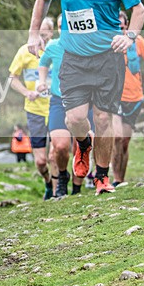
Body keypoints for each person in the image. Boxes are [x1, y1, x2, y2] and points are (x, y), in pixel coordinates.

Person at [28, 0, 144, 196]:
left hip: (107, 59)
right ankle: (83, 144)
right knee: (75, 120)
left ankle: (102, 177)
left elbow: (138, 10)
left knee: (103, 119)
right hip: (74, 58)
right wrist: (33, 32)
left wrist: (129, 36)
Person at [38, 18, 90, 196]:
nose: (64, 29)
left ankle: (76, 189)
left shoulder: (85, 44)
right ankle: (61, 177)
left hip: (82, 100)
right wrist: (42, 81)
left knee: (79, 145)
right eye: (61, 26)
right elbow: (43, 63)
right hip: (58, 101)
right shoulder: (53, 45)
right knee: (60, 146)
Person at [112, 10, 144, 185]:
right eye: (115, 23)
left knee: (124, 141)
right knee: (116, 137)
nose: (119, 26)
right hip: (113, 97)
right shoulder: (104, 41)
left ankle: (120, 179)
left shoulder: (137, 42)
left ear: (127, 24)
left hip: (134, 98)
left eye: (122, 23)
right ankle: (113, 178)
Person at [10, 18, 54, 199]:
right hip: (34, 110)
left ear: (51, 33)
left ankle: (59, 192)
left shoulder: (57, 49)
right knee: (41, 161)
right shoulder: (24, 52)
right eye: (39, 34)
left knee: (55, 153)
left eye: (45, 34)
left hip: (56, 107)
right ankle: (49, 182)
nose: (42, 37)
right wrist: (27, 92)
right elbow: (12, 79)